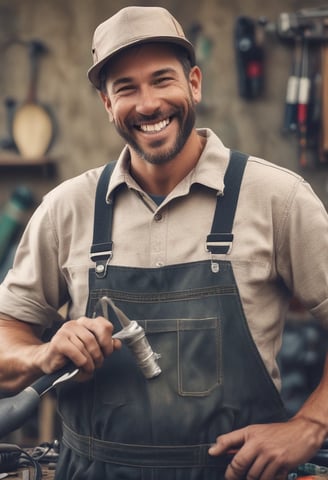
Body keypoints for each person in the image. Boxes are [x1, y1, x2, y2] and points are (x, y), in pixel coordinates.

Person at [0, 5, 327, 480]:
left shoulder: (277, 198)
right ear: (107, 105)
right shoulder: (66, 209)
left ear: (194, 83)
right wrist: (41, 354)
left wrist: (311, 424)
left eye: (162, 80)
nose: (148, 104)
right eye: (126, 88)